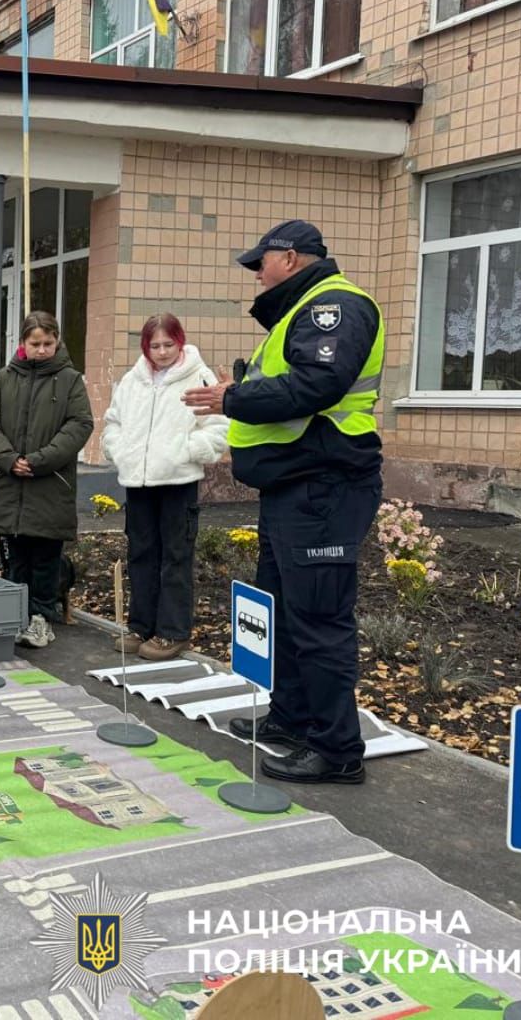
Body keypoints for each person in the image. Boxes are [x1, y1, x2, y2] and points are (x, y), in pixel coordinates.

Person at [184, 220, 384, 786]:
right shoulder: (302, 312)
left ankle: (337, 750)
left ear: (290, 259)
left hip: (324, 485)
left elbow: (318, 384)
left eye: (261, 263)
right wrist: (241, 387)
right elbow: (294, 382)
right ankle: (292, 720)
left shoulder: (335, 306)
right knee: (288, 612)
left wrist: (234, 395)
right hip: (293, 486)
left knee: (319, 618)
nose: (256, 274)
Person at [102, 313, 229, 662]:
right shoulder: (132, 380)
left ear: (180, 341)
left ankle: (172, 632)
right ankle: (141, 625)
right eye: (154, 345)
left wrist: (185, 453)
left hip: (178, 481)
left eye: (168, 344)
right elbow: (113, 422)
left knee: (175, 556)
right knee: (141, 554)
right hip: (138, 482)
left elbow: (218, 428)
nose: (161, 352)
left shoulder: (199, 376)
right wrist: (120, 452)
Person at [0, 311, 94, 649]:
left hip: (49, 485)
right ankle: (16, 616)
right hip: (9, 483)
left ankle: (42, 617)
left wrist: (39, 461)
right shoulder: (3, 380)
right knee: (15, 559)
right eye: (35, 343)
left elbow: (79, 425)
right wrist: (9, 459)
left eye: (48, 343)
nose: (42, 350)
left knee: (45, 558)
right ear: (22, 344)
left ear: (57, 342)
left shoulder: (70, 380)